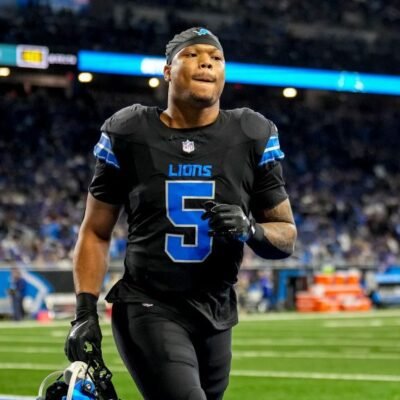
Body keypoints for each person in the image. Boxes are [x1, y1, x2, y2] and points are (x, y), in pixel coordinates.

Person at [65, 27, 297, 400]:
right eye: (192, 54)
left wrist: (250, 229)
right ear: (167, 71)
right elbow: (95, 231)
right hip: (149, 303)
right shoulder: (130, 130)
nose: (206, 62)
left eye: (216, 57)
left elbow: (285, 235)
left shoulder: (251, 133)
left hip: (216, 311)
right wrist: (84, 312)